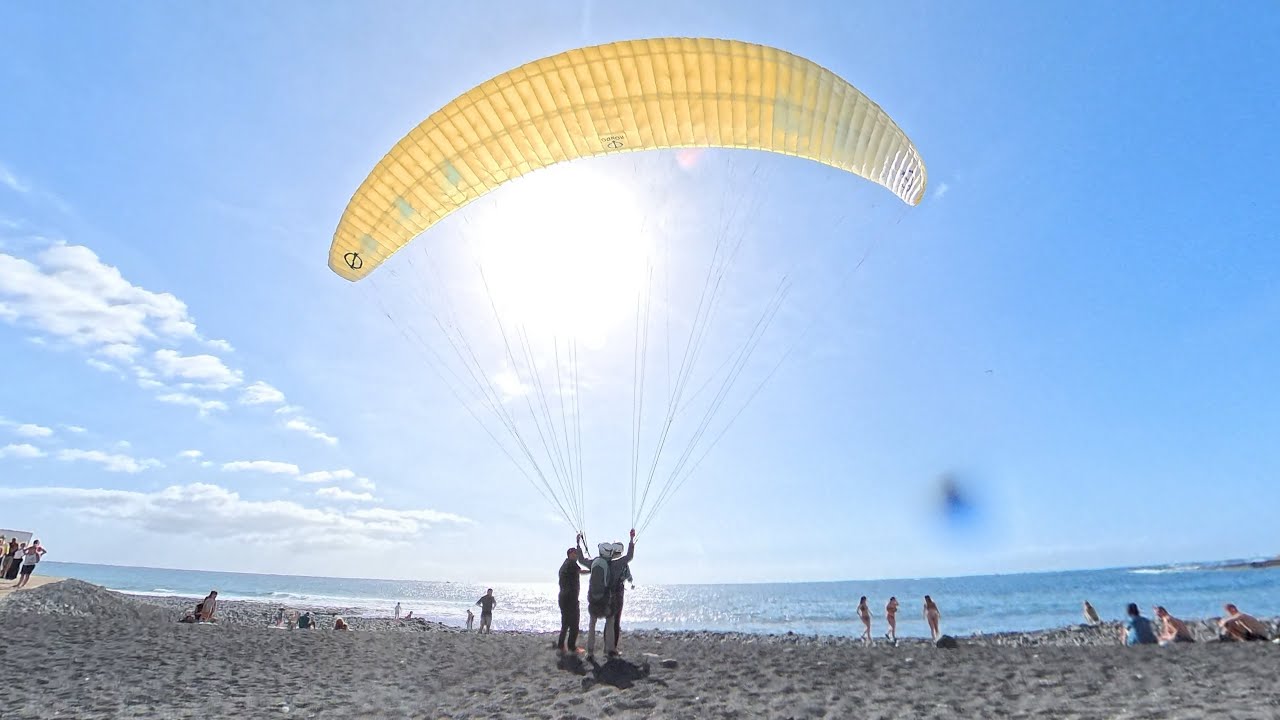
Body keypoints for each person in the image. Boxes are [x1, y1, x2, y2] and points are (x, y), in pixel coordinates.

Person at [555, 539, 591, 653]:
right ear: (570, 554)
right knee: (574, 624)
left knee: (565, 623)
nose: (576, 556)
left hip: (563, 597)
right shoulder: (571, 564)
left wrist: (578, 543)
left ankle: (561, 646)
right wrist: (592, 570)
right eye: (575, 554)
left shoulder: (565, 565)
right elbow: (581, 571)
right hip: (570, 598)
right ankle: (572, 647)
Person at [580, 540, 614, 659]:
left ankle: (590, 652)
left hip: (593, 600)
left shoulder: (593, 562)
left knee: (592, 624)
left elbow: (581, 560)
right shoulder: (610, 564)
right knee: (610, 620)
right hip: (604, 600)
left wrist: (578, 545)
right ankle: (609, 650)